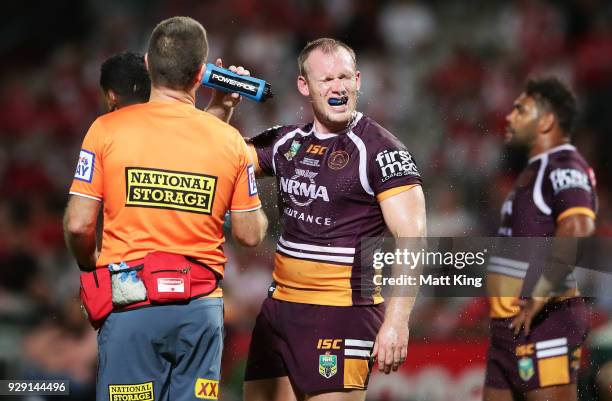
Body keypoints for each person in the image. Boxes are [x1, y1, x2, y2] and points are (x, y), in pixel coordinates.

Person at [63, 16, 268, 401]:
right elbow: (250, 233)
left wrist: (90, 264)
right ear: (200, 75)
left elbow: (77, 224)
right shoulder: (229, 142)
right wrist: (223, 116)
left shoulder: (107, 129)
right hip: (201, 312)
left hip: (131, 305)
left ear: (147, 64)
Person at [217, 38, 427, 401]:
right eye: (326, 79)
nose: (338, 87)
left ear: (358, 80)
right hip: (279, 312)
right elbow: (211, 156)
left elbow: (414, 237)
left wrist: (396, 320)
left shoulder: (380, 150)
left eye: (345, 77)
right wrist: (221, 106)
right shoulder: (287, 143)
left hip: (342, 314)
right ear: (304, 86)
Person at [484, 77, 597, 401]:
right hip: (511, 325)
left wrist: (538, 295)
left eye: (522, 109)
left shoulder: (562, 164)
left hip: (543, 319)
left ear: (546, 120)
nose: (510, 116)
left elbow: (577, 228)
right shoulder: (535, 170)